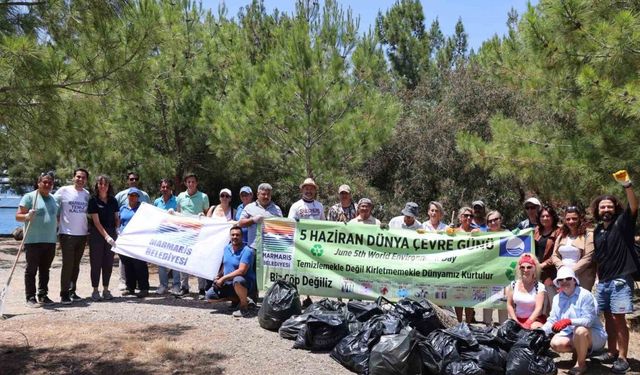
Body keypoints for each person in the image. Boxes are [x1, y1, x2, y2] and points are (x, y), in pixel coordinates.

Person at [589, 171, 638, 374]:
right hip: (604, 281)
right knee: (607, 317)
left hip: (620, 280)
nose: (606, 209)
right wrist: (599, 279)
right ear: (598, 210)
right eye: (602, 206)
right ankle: (611, 351)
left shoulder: (622, 223)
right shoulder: (598, 230)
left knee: (619, 319)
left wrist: (627, 186)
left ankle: (623, 357)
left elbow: (634, 207)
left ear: (615, 208)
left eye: (609, 206)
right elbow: (599, 257)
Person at [542, 267, 607, 375]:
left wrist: (569, 321)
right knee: (555, 343)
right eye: (561, 280)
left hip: (594, 335)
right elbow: (552, 320)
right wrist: (540, 331)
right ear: (557, 282)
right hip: (572, 334)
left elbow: (588, 321)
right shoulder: (557, 298)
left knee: (580, 330)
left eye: (568, 278)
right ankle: (580, 352)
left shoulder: (585, 295)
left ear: (574, 280)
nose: (564, 282)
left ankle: (581, 364)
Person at [15, 172, 58, 307]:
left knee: (45, 270)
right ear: (39, 183)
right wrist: (27, 215)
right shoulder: (29, 197)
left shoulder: (53, 199)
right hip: (33, 240)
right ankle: (30, 297)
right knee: (31, 270)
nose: (47, 185)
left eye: (50, 183)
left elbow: (56, 218)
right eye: (44, 182)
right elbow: (18, 216)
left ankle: (43, 295)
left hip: (50, 240)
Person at [54, 168, 90, 304]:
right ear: (73, 177)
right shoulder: (64, 191)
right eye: (78, 177)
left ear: (86, 180)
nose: (80, 179)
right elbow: (52, 202)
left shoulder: (86, 194)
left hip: (82, 234)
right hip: (67, 234)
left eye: (83, 177)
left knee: (76, 265)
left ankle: (72, 291)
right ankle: (64, 294)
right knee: (68, 264)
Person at [206, 226, 256, 318]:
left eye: (237, 235)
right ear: (230, 236)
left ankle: (244, 308)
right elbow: (225, 265)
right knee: (210, 296)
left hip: (245, 283)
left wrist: (223, 278)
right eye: (233, 235)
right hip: (229, 283)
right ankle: (242, 300)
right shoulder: (226, 248)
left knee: (238, 280)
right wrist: (219, 275)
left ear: (242, 236)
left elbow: (242, 271)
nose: (235, 237)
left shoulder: (247, 250)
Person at [176, 172, 210, 298]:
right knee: (183, 260)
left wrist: (203, 217)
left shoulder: (203, 197)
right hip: (184, 234)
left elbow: (208, 215)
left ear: (197, 183)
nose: (191, 184)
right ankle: (184, 287)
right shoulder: (180, 196)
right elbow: (179, 213)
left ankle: (202, 289)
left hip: (199, 234)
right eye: (188, 182)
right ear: (185, 183)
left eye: (193, 182)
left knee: (199, 260)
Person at [114, 172, 150, 291]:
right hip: (125, 239)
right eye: (131, 195)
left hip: (138, 239)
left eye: (135, 195)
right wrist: (117, 230)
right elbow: (118, 219)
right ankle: (130, 287)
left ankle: (143, 288)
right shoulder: (123, 207)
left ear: (138, 197)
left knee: (139, 264)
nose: (133, 197)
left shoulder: (142, 208)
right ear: (128, 196)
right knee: (127, 264)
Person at [87, 175, 119, 301]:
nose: (103, 186)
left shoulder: (113, 200)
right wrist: (106, 237)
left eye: (105, 184)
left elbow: (117, 217)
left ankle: (106, 289)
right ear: (97, 186)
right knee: (96, 263)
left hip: (112, 233)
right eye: (100, 184)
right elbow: (96, 222)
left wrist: (117, 229)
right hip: (97, 235)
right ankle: (95, 290)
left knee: (108, 263)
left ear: (108, 186)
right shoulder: (93, 201)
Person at [550, 206, 596, 291]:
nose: (571, 221)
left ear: (580, 219)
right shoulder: (561, 236)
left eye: (574, 218)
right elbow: (554, 255)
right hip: (563, 277)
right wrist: (561, 268)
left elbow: (588, 257)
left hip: (581, 278)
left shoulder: (588, 235)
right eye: (568, 219)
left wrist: (570, 272)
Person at [153, 179, 180, 295]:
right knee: (161, 261)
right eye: (163, 187)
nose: (165, 189)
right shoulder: (156, 202)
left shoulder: (177, 201)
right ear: (160, 188)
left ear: (171, 189)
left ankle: (176, 286)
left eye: (167, 187)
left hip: (175, 235)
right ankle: (163, 285)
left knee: (175, 261)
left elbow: (181, 216)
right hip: (161, 235)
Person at [505, 254, 546, 329]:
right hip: (517, 319)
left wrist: (528, 323)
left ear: (534, 268)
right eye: (522, 267)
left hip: (534, 320)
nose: (525, 270)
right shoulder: (514, 284)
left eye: (529, 267)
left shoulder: (539, 287)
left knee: (534, 328)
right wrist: (515, 321)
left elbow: (538, 308)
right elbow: (509, 305)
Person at [238, 183, 283, 250]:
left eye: (268, 194)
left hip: (270, 249)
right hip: (253, 248)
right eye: (263, 194)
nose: (266, 197)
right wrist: (253, 220)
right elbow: (240, 223)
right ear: (257, 195)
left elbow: (282, 227)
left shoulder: (277, 209)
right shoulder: (249, 207)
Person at [483, 210, 509, 325]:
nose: (493, 222)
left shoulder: (509, 234)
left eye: (496, 219)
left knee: (503, 306)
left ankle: (503, 334)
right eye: (490, 221)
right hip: (487, 275)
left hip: (503, 276)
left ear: (501, 220)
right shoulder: (482, 235)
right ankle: (487, 331)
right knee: (487, 306)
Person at [534, 205, 561, 314]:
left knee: (552, 300)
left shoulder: (559, 232)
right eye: (542, 216)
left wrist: (544, 264)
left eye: (548, 216)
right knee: (539, 301)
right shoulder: (536, 230)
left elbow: (558, 253)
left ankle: (554, 327)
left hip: (551, 272)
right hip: (537, 271)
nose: (545, 218)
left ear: (553, 217)